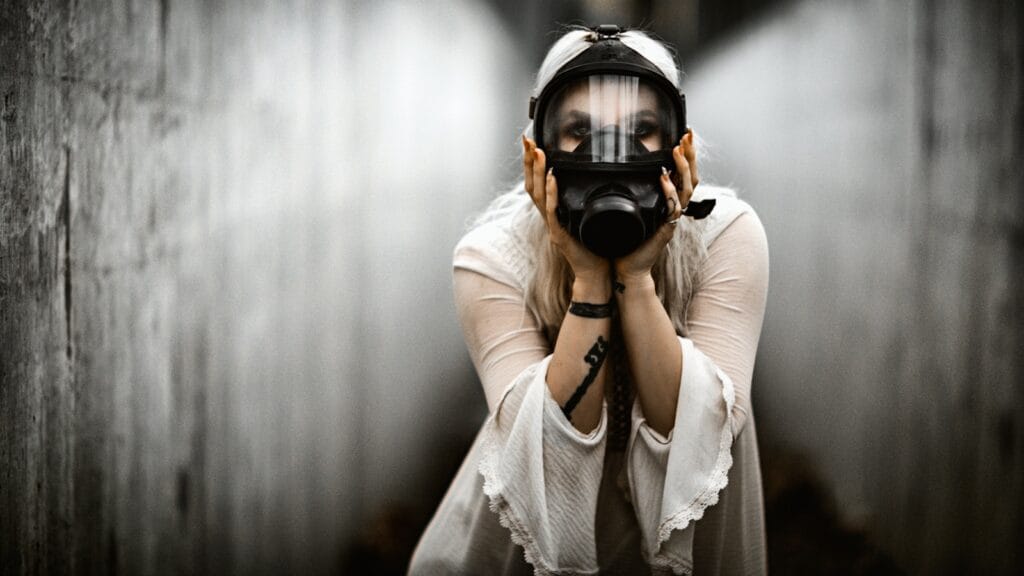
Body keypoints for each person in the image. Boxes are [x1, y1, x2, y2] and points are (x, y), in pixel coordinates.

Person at [409, 25, 769, 575]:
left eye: (643, 129)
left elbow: (700, 430)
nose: (610, 154)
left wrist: (637, 276)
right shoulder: (493, 256)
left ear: (681, 147)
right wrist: (589, 279)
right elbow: (547, 450)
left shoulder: (726, 235)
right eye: (579, 131)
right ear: (538, 152)